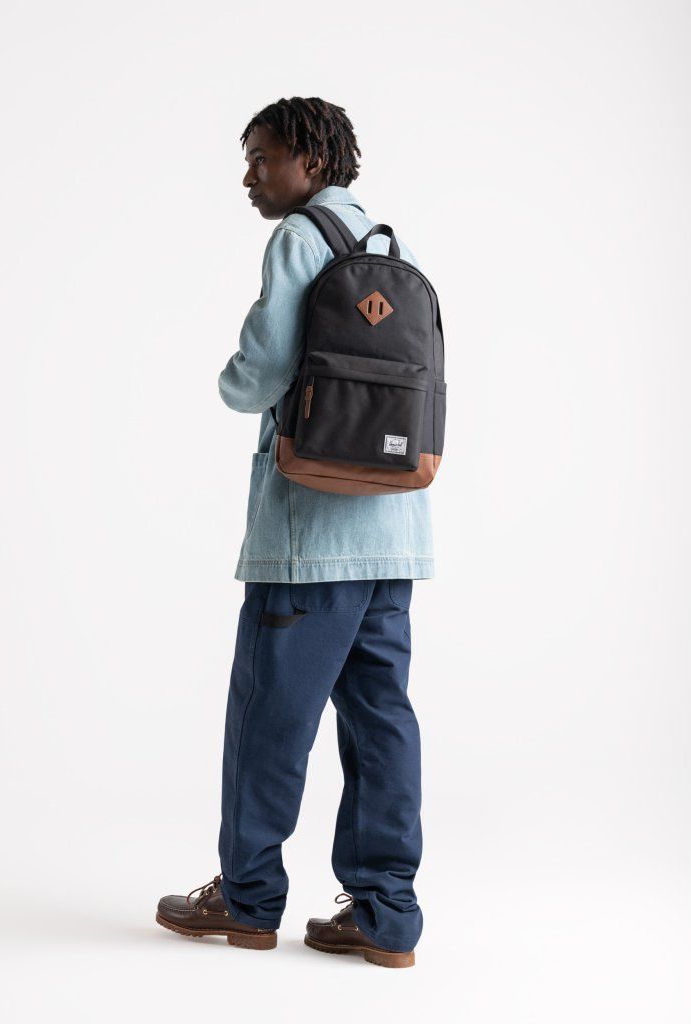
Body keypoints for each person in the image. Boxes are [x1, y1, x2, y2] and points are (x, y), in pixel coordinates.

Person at [155, 97, 435, 969]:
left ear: (310, 160)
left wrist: (231, 382)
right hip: (394, 531)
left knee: (268, 721)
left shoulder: (298, 240)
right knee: (382, 723)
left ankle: (246, 901)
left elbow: (261, 372)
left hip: (310, 535)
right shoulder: (392, 244)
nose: (250, 176)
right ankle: (386, 914)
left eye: (262, 157)